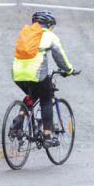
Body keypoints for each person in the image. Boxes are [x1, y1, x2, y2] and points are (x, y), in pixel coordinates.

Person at [12, 10, 76, 147]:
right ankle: (47, 136)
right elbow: (60, 57)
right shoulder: (49, 35)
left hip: (17, 73)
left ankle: (19, 118)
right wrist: (69, 70)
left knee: (32, 94)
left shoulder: (26, 33)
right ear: (49, 24)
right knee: (46, 99)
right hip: (36, 73)